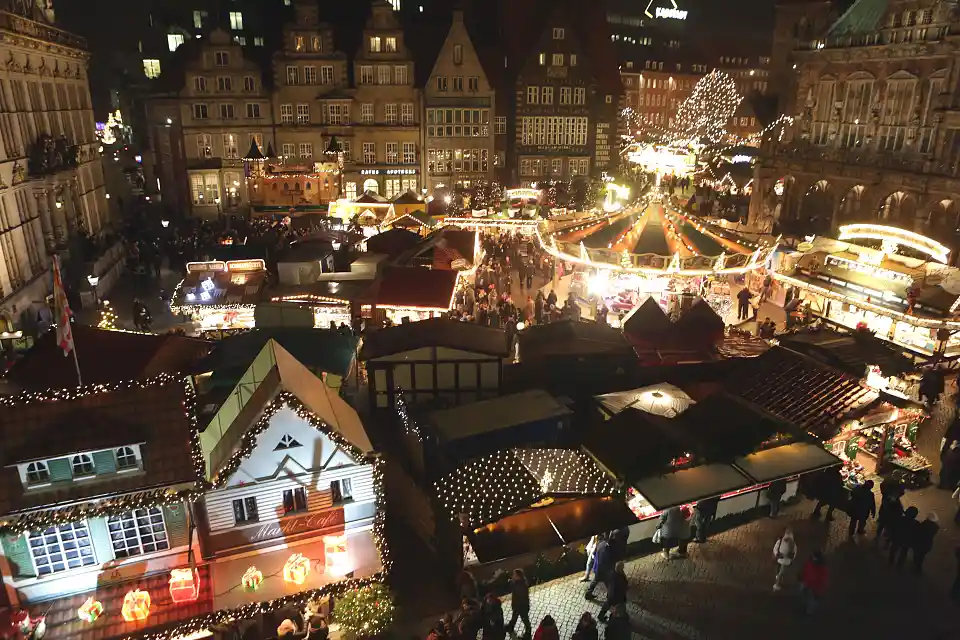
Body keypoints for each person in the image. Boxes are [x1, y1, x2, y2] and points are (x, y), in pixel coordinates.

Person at [798, 551, 828, 615]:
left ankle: (808, 613)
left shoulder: (822, 569)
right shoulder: (809, 563)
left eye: (815, 558)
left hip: (815, 589)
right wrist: (802, 580)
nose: (813, 559)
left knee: (812, 603)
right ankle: (804, 609)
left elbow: (823, 581)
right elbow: (804, 571)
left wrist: (818, 591)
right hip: (806, 584)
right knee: (804, 598)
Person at [585, 534, 613, 599]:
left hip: (597, 567)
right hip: (603, 569)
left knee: (596, 580)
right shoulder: (607, 548)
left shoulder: (600, 544)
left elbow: (594, 554)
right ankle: (610, 596)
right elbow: (608, 559)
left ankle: (588, 593)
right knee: (608, 582)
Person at [507, 569, 531, 637]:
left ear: (518, 576)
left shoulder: (520, 585)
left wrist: (516, 605)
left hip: (521, 606)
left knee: (525, 619)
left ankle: (528, 631)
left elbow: (520, 596)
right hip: (518, 605)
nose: (513, 576)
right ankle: (510, 626)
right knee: (514, 616)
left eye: (514, 575)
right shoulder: (519, 582)